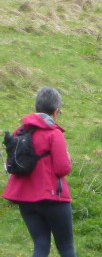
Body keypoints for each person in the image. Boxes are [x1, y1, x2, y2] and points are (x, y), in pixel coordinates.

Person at [2, 87, 77, 257]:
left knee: (41, 243)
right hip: (53, 197)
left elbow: (11, 163)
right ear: (56, 111)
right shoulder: (54, 133)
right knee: (66, 247)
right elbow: (62, 168)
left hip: (25, 199)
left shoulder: (20, 132)